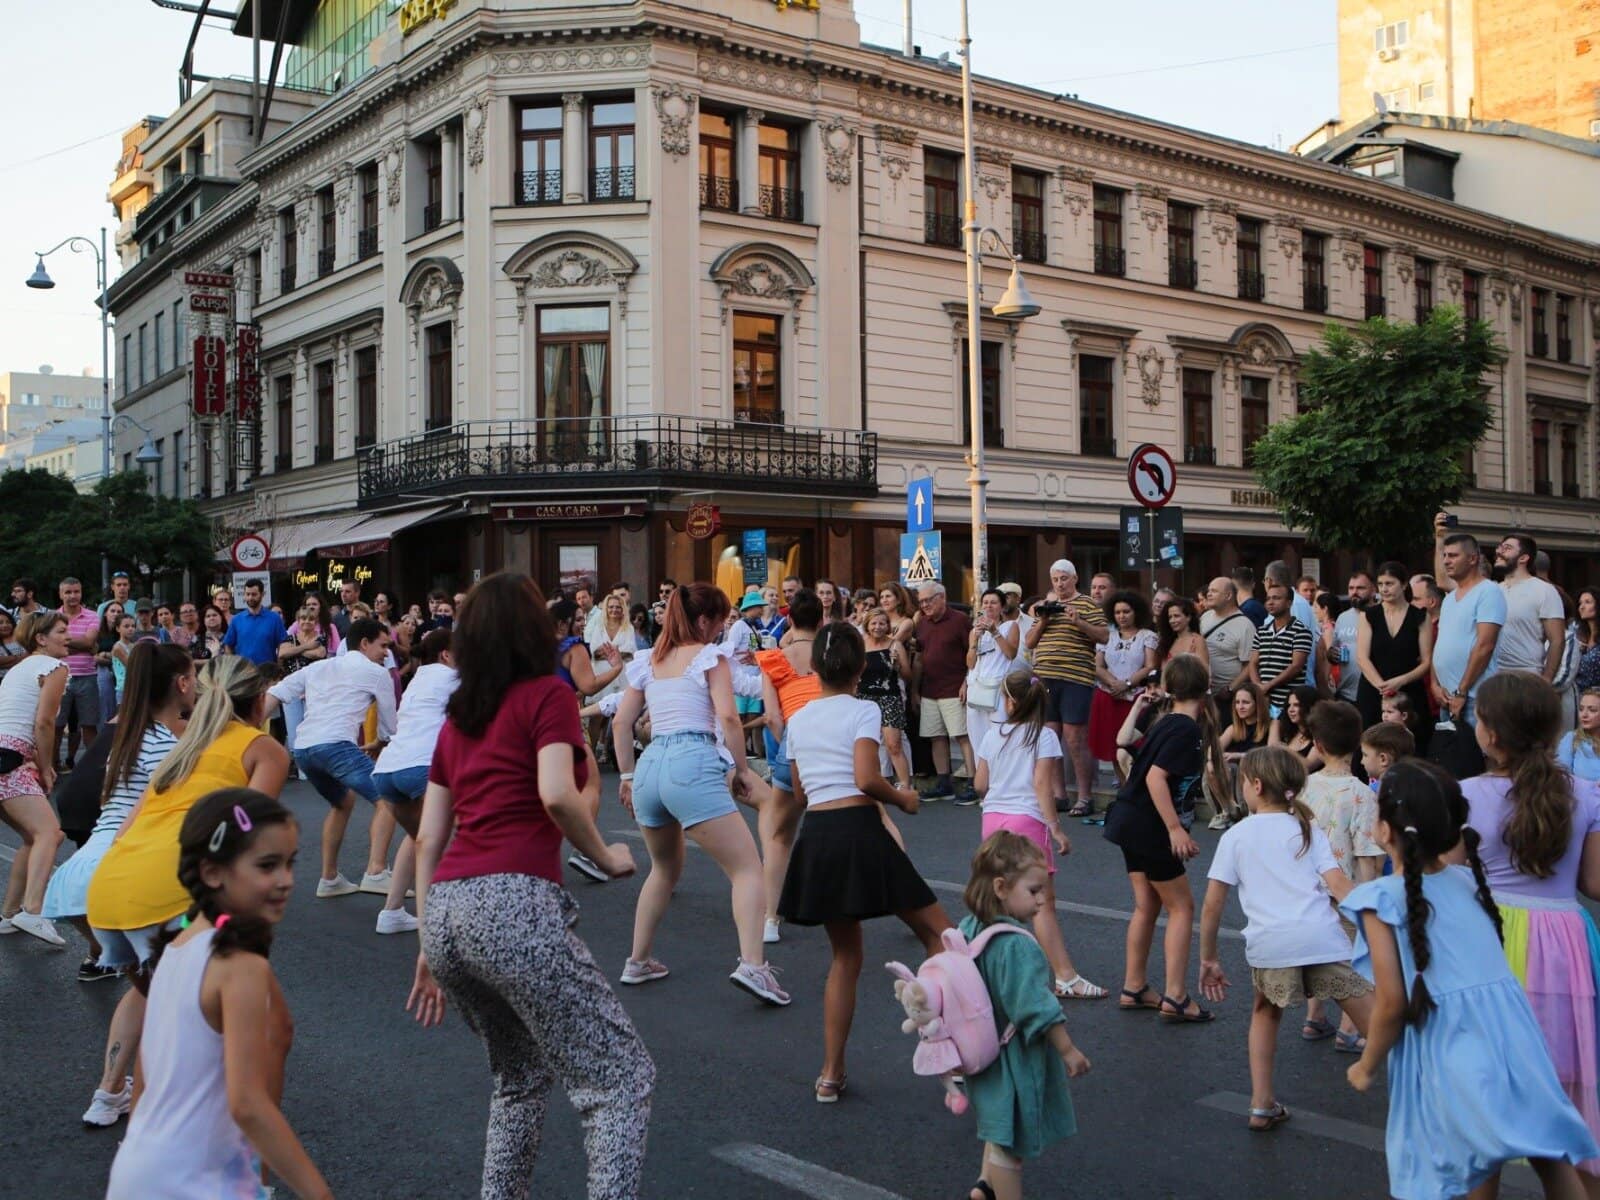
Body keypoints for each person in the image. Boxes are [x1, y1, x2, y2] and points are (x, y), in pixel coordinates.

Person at [405, 573, 652, 1200]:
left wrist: (428, 945)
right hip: (511, 900)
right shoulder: (548, 694)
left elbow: (429, 838)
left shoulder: (457, 722)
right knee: (619, 1078)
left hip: (448, 909)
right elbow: (554, 794)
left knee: (518, 1078)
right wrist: (605, 855)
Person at [1342, 760, 1599, 1200]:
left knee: (1436, 1168)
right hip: (1520, 1040)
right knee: (1545, 1149)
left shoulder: (1380, 898)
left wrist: (1366, 1066)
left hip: (1452, 1048)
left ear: (1384, 830)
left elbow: (1391, 1003)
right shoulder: (1468, 882)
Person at [105, 788, 333, 1200]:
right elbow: (246, 1103)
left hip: (141, 1168)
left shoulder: (176, 949)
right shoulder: (239, 964)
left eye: (289, 864)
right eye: (267, 866)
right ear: (213, 872)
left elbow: (147, 1078)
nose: (285, 880)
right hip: (195, 1178)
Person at [778, 621, 948, 1101]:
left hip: (818, 834)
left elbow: (798, 790)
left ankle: (830, 1073)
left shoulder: (798, 718)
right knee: (940, 932)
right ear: (859, 668)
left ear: (814, 668)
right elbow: (866, 777)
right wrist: (904, 799)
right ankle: (954, 1044)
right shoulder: (864, 710)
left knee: (845, 956)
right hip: (858, 829)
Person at [612, 582, 788, 1004]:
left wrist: (627, 777)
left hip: (651, 764)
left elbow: (621, 724)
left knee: (663, 869)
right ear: (704, 620)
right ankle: (753, 966)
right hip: (691, 760)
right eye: (720, 619)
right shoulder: (710, 657)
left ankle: (637, 960)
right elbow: (728, 718)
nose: (723, 628)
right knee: (746, 868)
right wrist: (742, 769)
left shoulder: (650, 660)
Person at [42, 642, 192, 1127]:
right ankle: (164, 1109)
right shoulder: (172, 747)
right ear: (183, 684)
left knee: (149, 989)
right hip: (124, 876)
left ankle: (109, 1096)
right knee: (176, 995)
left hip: (77, 885)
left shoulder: (128, 736)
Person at [86, 656, 288, 997]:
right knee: (247, 1016)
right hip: (171, 901)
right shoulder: (262, 748)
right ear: (259, 702)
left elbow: (123, 832)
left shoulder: (179, 751)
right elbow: (246, 833)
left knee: (152, 1006)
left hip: (108, 896)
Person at [1463, 671, 1600, 1172]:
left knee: (1483, 1111)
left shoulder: (1466, 794)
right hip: (1565, 944)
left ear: (1491, 734)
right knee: (1562, 1097)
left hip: (1491, 941)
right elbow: (1595, 884)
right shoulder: (1586, 793)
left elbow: (1448, 880)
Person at [1198, 745, 1373, 1131]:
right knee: (1375, 1022)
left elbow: (1212, 906)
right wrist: (1376, 923)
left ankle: (1261, 1104)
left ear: (1255, 785)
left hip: (1271, 944)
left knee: (1265, 1012)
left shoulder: (1237, 836)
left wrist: (1209, 958)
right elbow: (1340, 885)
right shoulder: (1307, 829)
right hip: (1321, 937)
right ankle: (1425, 1093)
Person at [957, 832, 1092, 1200]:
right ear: (1001, 887)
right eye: (1033, 891)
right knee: (1011, 1141)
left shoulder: (970, 927)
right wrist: (1068, 1051)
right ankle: (1001, 1188)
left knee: (998, 1121)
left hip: (982, 1048)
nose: (1042, 899)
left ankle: (985, 1185)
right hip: (1013, 1054)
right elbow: (1035, 1007)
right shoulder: (1016, 945)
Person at [1103, 654, 1226, 1023]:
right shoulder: (1185, 729)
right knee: (1182, 907)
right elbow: (1157, 777)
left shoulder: (1166, 722)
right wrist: (1174, 828)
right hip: (1150, 825)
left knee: (1147, 906)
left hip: (1130, 819)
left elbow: (1128, 751)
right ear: (1204, 689)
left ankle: (1135, 986)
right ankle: (1175, 995)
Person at [975, 670, 1106, 1000]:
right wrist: (1056, 828)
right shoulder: (1044, 736)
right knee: (1042, 904)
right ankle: (1065, 976)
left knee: (997, 898)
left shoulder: (993, 735)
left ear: (1010, 701)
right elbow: (1042, 785)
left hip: (992, 818)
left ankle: (985, 973)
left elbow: (979, 784)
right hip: (1026, 819)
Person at [265, 618, 398, 898]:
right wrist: (379, 742)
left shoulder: (318, 667)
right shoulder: (378, 674)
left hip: (303, 749)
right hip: (336, 745)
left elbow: (274, 694)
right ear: (364, 643)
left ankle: (329, 879)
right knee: (388, 799)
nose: (387, 653)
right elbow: (389, 728)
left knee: (343, 801)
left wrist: (243, 731)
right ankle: (375, 872)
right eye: (383, 645)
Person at [1299, 699, 1381, 1050]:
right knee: (1354, 959)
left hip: (1308, 887)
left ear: (1317, 744)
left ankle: (1314, 1017)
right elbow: (1366, 854)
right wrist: (1372, 900)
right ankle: (1351, 1028)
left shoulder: (1302, 787)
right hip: (1345, 889)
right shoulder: (1362, 794)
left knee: (1320, 954)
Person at [369, 629, 457, 935]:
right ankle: (439, 920)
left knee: (419, 836)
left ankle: (391, 912)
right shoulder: (454, 678)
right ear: (447, 654)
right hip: (424, 766)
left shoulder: (417, 679)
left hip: (388, 770)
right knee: (438, 840)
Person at [0, 610, 70, 944]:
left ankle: (10, 913)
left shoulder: (18, 668)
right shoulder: (54, 668)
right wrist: (44, 767)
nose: (67, 636)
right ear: (41, 638)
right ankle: (32, 910)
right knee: (50, 833)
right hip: (10, 758)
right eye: (60, 631)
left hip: (6, 755)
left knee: (33, 836)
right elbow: (44, 722)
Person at [1025, 560, 1110, 821]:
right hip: (1046, 678)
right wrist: (1043, 620)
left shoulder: (1087, 605)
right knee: (1050, 738)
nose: (1059, 583)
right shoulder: (1046, 607)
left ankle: (1085, 796)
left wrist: (1079, 622)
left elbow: (1104, 636)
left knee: (1075, 738)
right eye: (1055, 579)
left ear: (1074, 579)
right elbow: (1029, 642)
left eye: (1064, 578)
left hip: (1076, 678)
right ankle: (1059, 795)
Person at [1429, 522, 1506, 777]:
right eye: (1445, 556)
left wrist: (1462, 690)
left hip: (1474, 695)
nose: (1447, 561)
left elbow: (1485, 645)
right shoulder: (1451, 598)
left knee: (1482, 760)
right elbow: (1442, 644)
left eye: (1453, 556)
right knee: (1453, 763)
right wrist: (1435, 683)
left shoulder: (1488, 592)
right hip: (1447, 696)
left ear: (1473, 559)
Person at [1354, 562, 1434, 756]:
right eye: (1380, 584)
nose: (1384, 589)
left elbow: (1426, 661)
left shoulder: (1420, 617)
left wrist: (1400, 681)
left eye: (1389, 583)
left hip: (1408, 691)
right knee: (1369, 746)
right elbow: (1362, 657)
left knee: (1411, 748)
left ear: (1404, 584)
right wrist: (1382, 686)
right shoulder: (1369, 615)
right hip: (1372, 691)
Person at [915, 582, 977, 803]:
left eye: (928, 600)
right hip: (930, 689)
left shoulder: (960, 620)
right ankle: (944, 783)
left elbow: (973, 653)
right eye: (921, 601)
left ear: (942, 597)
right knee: (936, 737)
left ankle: (973, 783)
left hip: (954, 687)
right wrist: (916, 688)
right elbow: (920, 658)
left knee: (962, 736)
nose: (924, 605)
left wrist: (967, 682)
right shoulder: (921, 623)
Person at [1088, 590, 1157, 777]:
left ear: (1136, 612)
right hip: (1108, 697)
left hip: (1135, 699)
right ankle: (1123, 789)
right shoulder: (1108, 636)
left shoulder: (1147, 636)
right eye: (1118, 612)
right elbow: (1098, 665)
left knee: (1136, 747)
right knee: (1113, 749)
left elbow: (1150, 666)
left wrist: (1126, 684)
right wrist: (1113, 684)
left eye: (1126, 611)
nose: (1122, 616)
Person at [964, 588, 1022, 771]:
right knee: (977, 738)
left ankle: (1000, 783)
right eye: (986, 602)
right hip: (976, 688)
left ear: (1002, 607)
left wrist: (995, 632)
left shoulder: (1010, 626)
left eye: (994, 602)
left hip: (997, 689)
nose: (989, 606)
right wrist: (976, 640)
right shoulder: (975, 631)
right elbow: (970, 663)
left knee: (999, 736)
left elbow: (1010, 653)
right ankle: (983, 786)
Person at [861, 608, 913, 789]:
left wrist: (898, 664)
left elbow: (908, 676)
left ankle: (906, 785)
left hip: (889, 697)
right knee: (866, 744)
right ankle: (870, 783)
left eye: (882, 623)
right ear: (867, 625)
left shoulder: (895, 645)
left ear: (887, 625)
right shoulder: (860, 645)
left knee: (893, 745)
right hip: (864, 699)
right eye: (874, 623)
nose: (878, 627)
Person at [55, 576, 103, 768]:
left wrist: (61, 642)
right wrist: (82, 644)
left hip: (87, 677)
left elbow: (89, 642)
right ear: (60, 594)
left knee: (89, 725)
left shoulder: (92, 616)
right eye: (68, 592)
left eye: (76, 591)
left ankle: (94, 769)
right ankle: (53, 765)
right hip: (59, 676)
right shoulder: (52, 617)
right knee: (56, 725)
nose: (72, 596)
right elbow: (83, 644)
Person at [1248, 582, 1312, 719]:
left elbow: (1296, 667)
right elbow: (1253, 663)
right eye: (1268, 598)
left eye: (1276, 598)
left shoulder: (1301, 631)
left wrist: (1268, 686)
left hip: (1288, 702)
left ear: (1289, 603)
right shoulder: (1261, 631)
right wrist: (1258, 687)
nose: (1270, 602)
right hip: (1264, 701)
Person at [1214, 681, 1272, 829]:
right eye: (1237, 702)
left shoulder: (1270, 725)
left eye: (1245, 702)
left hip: (1257, 772)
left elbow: (1271, 753)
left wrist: (1240, 756)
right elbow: (1214, 750)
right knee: (1213, 766)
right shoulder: (1234, 728)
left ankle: (1246, 812)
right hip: (1236, 774)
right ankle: (1229, 811)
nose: (1240, 707)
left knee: (1244, 764)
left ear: (1257, 704)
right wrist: (1213, 758)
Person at [1327, 571, 1375, 702]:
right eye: (1351, 588)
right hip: (1345, 694)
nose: (1355, 592)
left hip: (1375, 693)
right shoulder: (1343, 618)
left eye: (1360, 588)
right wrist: (1331, 654)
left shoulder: (1381, 615)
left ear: (1373, 590)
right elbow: (1333, 649)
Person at [221, 579, 288, 667]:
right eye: (247, 594)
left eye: (254, 594)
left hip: (268, 673)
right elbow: (228, 645)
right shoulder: (236, 619)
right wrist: (232, 668)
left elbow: (282, 645)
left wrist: (279, 669)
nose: (250, 598)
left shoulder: (274, 618)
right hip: (243, 673)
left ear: (262, 594)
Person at [1359, 722, 1413, 794]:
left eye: (1365, 755)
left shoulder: (1373, 794)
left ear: (1383, 759)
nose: (1362, 761)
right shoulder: (1413, 788)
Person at [93, 601, 125, 724]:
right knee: (105, 707)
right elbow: (93, 656)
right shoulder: (98, 633)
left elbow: (126, 653)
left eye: (119, 611)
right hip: (103, 672)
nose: (116, 614)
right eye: (112, 611)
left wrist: (106, 655)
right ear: (105, 613)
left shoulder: (125, 632)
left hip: (122, 674)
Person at [1559, 689, 1600, 782]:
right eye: (1581, 709)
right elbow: (1561, 776)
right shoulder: (1571, 739)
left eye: (1592, 710)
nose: (1584, 715)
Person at [1157, 597, 1208, 670]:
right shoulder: (1168, 641)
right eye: (1170, 617)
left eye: (1176, 616)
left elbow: (1204, 672)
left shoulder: (1197, 641)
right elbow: (1163, 672)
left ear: (1188, 617)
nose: (1172, 621)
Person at [0, 610, 24, 682]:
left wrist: (5, 663)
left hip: (23, 679)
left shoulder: (21, 639)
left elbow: (30, 655)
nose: (5, 625)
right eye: (0, 623)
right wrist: (19, 657)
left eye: (8, 622)